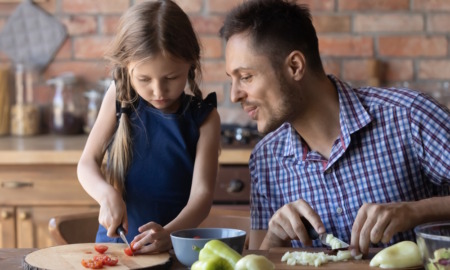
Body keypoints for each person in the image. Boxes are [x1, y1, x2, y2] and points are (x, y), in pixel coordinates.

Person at [220, 0, 450, 256]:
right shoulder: (265, 160)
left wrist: (414, 211)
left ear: (295, 66)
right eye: (232, 80)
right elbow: (257, 261)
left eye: (246, 77)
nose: (234, 95)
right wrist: (275, 237)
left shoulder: (409, 115)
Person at [77, 0, 220, 253]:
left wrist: (169, 234)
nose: (158, 91)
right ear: (126, 69)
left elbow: (202, 197)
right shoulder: (118, 98)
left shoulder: (205, 119)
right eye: (144, 79)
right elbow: (87, 163)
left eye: (171, 78)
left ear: (191, 63)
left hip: (174, 249)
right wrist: (105, 194)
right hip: (115, 249)